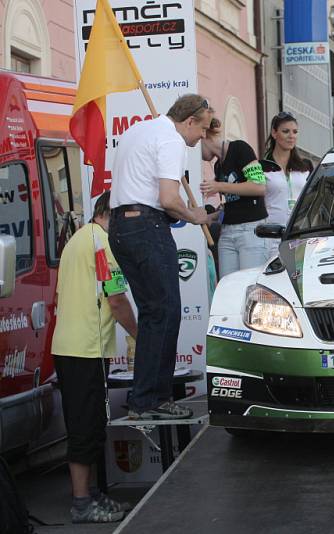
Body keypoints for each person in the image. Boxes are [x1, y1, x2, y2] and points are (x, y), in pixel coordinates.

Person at [109, 94, 211, 418]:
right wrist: (195, 215)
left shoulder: (137, 131)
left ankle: (144, 400)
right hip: (146, 226)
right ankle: (152, 400)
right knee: (165, 312)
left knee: (154, 312)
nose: (203, 137)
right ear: (190, 120)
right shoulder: (171, 140)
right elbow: (168, 198)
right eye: (203, 128)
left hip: (120, 226)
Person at [52, 192, 137, 523]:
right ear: (110, 215)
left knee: (84, 424)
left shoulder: (77, 240)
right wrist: (140, 335)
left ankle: (90, 495)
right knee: (85, 427)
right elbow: (116, 299)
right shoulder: (103, 243)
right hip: (84, 349)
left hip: (71, 346)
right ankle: (82, 502)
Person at [199, 115, 268, 278]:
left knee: (249, 286)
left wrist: (219, 185)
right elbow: (231, 204)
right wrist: (213, 216)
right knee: (228, 286)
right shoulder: (218, 165)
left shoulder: (240, 149)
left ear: (205, 136)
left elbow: (259, 186)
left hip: (251, 230)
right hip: (228, 231)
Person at [263, 112, 313, 257]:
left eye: (295, 132)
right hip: (270, 234)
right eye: (286, 131)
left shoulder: (305, 166)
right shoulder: (262, 166)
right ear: (274, 133)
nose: (291, 136)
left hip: (300, 233)